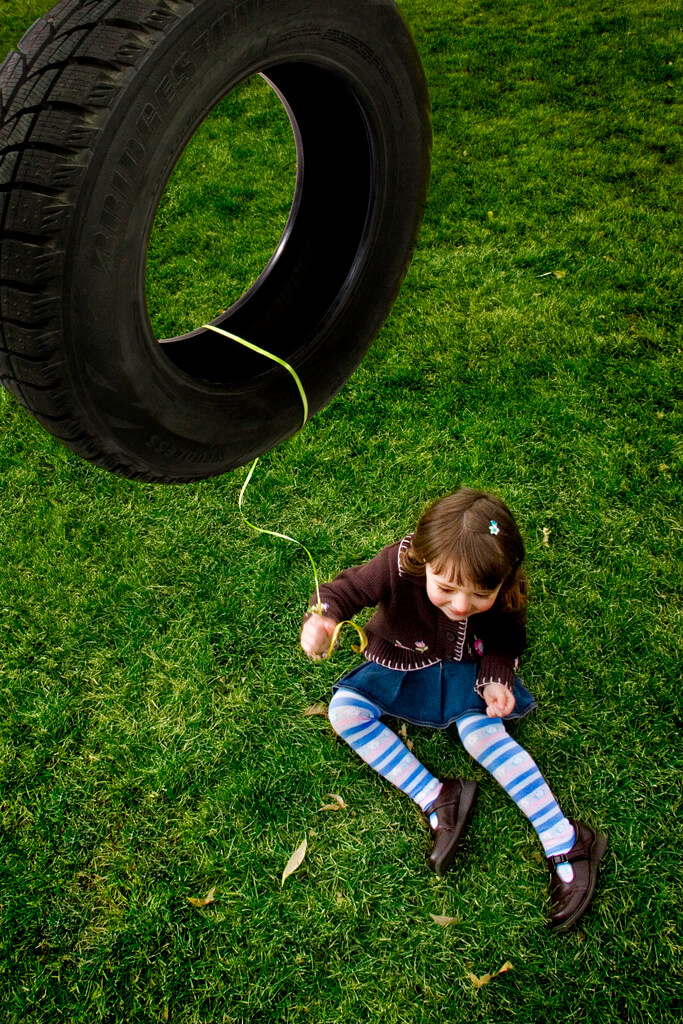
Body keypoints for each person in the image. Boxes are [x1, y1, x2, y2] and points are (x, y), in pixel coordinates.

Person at [300, 487, 606, 933]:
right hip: (402, 658)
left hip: (467, 670)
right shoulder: (398, 563)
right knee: (344, 711)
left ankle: (566, 838)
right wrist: (323, 618)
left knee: (481, 734)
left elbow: (506, 639)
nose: (461, 606)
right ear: (424, 561)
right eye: (445, 589)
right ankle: (437, 796)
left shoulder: (501, 587)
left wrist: (498, 675)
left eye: (480, 594)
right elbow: (344, 591)